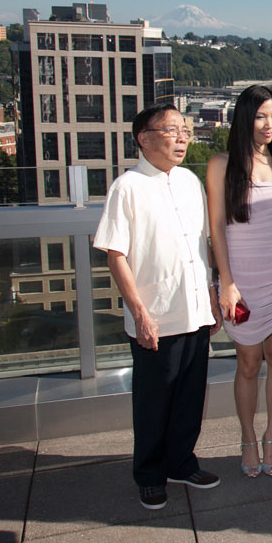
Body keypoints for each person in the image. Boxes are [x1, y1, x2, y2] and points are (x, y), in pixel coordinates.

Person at [94, 104, 222, 510]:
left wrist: (214, 294)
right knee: (154, 400)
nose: (182, 138)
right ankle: (149, 473)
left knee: (189, 396)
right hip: (156, 316)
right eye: (172, 131)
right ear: (144, 137)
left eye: (184, 131)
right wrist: (139, 313)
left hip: (195, 309)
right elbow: (116, 254)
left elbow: (204, 244)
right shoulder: (127, 187)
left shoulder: (189, 181)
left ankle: (182, 462)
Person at [206, 85, 272, 478]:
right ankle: (248, 439)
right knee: (247, 362)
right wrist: (226, 283)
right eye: (261, 116)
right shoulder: (221, 164)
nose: (269, 125)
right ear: (245, 118)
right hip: (242, 278)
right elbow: (216, 227)